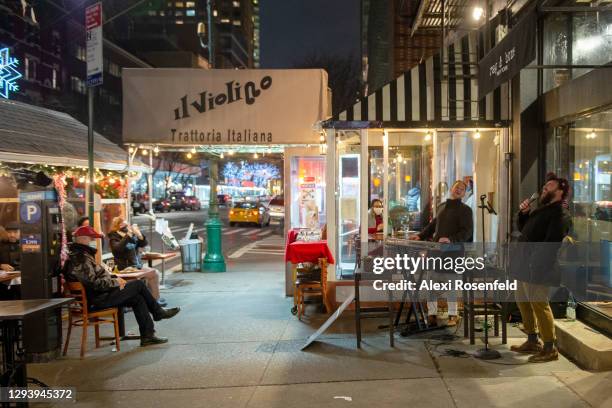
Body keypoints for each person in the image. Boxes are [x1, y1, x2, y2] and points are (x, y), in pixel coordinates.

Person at [64, 226, 179, 346]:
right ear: (82, 239)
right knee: (138, 285)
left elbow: (94, 280)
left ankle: (148, 335)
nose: (94, 241)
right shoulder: (81, 258)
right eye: (92, 238)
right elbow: (94, 284)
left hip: (99, 296)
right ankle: (158, 312)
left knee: (137, 298)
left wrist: (114, 278)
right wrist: (115, 282)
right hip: (98, 300)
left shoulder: (81, 255)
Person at [511, 175, 571, 363]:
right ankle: (532, 340)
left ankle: (549, 347)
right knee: (522, 301)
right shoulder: (543, 209)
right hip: (525, 264)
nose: (545, 188)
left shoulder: (560, 214)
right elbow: (525, 230)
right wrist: (524, 214)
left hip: (538, 267)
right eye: (544, 185)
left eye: (549, 186)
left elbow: (551, 244)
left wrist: (536, 265)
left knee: (539, 304)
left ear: (560, 191)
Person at [410, 180, 473, 327]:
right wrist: (420, 235)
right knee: (432, 284)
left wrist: (451, 239)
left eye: (462, 189)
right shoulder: (441, 207)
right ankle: (432, 314)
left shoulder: (466, 210)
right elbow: (433, 226)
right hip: (435, 252)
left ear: (464, 194)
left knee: (451, 286)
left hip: (453, 253)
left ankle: (453, 314)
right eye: (457, 187)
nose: (459, 190)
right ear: (451, 188)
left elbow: (467, 232)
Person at [107, 217, 163, 303]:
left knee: (155, 273)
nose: (125, 226)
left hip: (136, 266)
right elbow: (117, 249)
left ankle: (155, 300)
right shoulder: (114, 237)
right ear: (116, 227)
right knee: (148, 275)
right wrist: (128, 235)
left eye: (126, 224)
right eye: (122, 224)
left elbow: (143, 244)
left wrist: (139, 235)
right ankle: (150, 302)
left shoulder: (131, 235)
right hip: (124, 268)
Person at [0, 221, 21, 300]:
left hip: (21, 285)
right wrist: (1, 265)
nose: (12, 235)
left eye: (15, 232)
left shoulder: (27, 245)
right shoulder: (1, 245)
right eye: (9, 232)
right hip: (3, 285)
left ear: (20, 232)